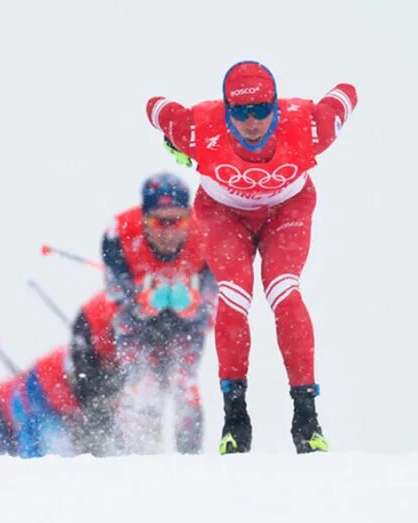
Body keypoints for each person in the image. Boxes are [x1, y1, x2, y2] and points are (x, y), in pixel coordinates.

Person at [145, 61, 357, 454]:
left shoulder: (311, 126)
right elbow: (155, 106)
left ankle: (306, 419)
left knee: (283, 290)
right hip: (223, 214)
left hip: (287, 210)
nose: (252, 121)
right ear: (226, 110)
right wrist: (174, 141)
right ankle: (235, 420)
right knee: (235, 295)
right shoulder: (195, 127)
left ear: (276, 106)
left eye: (261, 109)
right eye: (240, 112)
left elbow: (347, 92)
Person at [101, 172, 216, 454]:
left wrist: (192, 306)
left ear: (189, 218)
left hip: (188, 325)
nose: (167, 231)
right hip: (136, 324)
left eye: (177, 221)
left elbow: (214, 301)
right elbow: (116, 295)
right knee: (142, 385)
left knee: (183, 384)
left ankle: (190, 459)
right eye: (158, 222)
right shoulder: (118, 233)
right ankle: (135, 454)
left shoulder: (210, 233)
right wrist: (140, 302)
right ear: (143, 219)